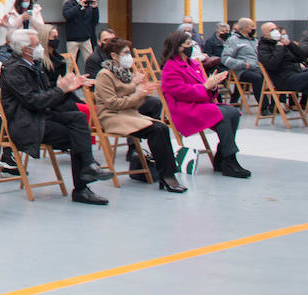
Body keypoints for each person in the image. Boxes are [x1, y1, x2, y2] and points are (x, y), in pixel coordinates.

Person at [0, 29, 111, 204]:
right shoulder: (13, 70)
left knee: (78, 118)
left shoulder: (34, 65)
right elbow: (33, 101)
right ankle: (82, 186)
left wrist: (69, 88)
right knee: (76, 135)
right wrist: (61, 90)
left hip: (41, 116)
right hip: (27, 123)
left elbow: (47, 95)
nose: (40, 48)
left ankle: (88, 165)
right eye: (36, 45)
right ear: (26, 49)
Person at [92, 39, 185, 193]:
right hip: (112, 117)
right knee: (156, 130)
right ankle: (167, 176)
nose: (129, 56)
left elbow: (130, 99)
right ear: (114, 55)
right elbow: (112, 103)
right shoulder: (104, 75)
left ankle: (169, 174)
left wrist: (142, 92)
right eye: (126, 53)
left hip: (129, 114)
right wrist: (137, 92)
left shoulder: (124, 72)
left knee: (161, 127)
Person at [159, 30, 249, 177]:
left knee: (232, 112)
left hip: (199, 104)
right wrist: (205, 87)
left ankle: (222, 157)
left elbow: (203, 85)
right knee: (222, 115)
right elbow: (179, 91)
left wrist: (212, 85)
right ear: (179, 47)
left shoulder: (193, 63)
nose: (191, 47)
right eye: (188, 44)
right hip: (184, 108)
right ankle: (229, 159)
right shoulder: (171, 67)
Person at [221, 18, 264, 98]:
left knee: (272, 76)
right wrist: (243, 64)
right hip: (243, 70)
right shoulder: (233, 40)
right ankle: (264, 107)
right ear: (245, 28)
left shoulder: (254, 40)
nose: (254, 28)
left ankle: (275, 106)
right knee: (257, 78)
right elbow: (225, 58)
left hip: (257, 68)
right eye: (252, 26)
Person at [62, 0, 99, 70]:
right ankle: (70, 79)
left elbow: (95, 21)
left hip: (86, 38)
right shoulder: (69, 4)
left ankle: (90, 78)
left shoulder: (88, 6)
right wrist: (79, 7)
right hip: (73, 39)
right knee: (70, 63)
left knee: (90, 61)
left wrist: (95, 8)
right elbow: (67, 15)